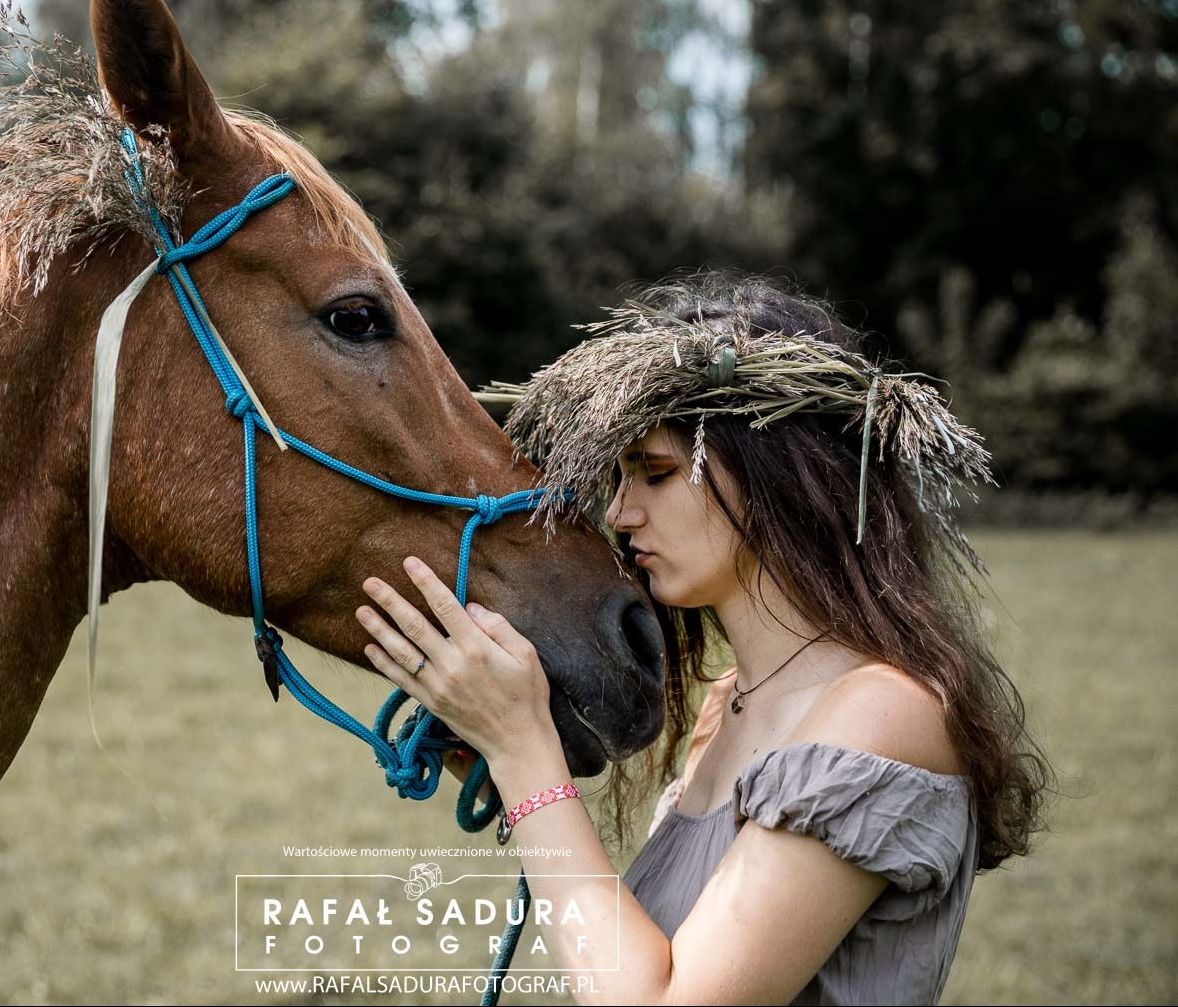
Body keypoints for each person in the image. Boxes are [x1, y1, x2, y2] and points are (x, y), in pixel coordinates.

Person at [352, 272, 1055, 1005]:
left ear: (775, 473)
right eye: (620, 478)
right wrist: (506, 763)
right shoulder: (728, 707)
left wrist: (524, 753)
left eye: (654, 472)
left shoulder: (878, 715)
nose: (619, 513)